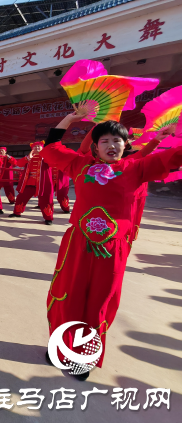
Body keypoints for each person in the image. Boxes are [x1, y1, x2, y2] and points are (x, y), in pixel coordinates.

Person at [41, 105, 181, 380]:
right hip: (77, 244)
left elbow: (174, 157)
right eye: (104, 140)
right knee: (67, 296)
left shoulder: (136, 168)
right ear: (95, 147)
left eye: (117, 140)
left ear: (126, 145)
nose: (111, 145)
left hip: (112, 249)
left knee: (99, 302)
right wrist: (71, 118)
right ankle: (60, 346)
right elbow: (51, 147)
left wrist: (169, 137)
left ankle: (84, 356)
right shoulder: (79, 165)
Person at [8, 141, 55, 224]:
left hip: (43, 183)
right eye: (35, 147)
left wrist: (46, 156)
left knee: (46, 200)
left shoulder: (47, 157)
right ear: (32, 148)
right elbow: (19, 164)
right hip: (29, 182)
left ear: (42, 148)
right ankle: (17, 213)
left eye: (39, 146)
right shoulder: (29, 157)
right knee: (21, 197)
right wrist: (27, 158)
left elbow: (53, 163)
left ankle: (48, 218)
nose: (37, 148)